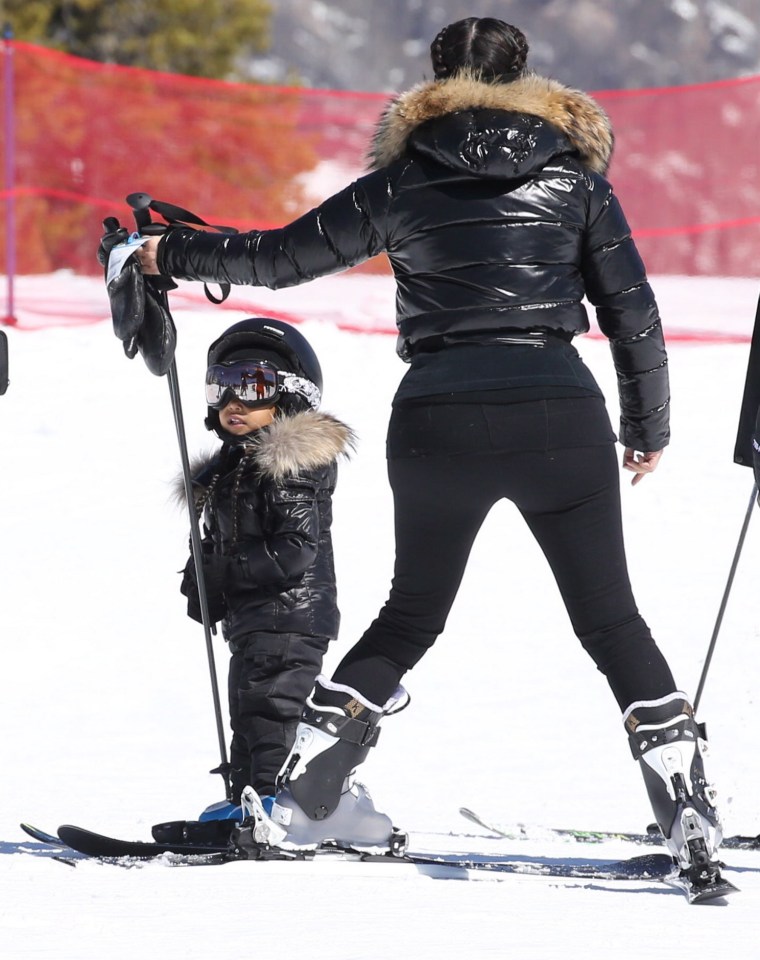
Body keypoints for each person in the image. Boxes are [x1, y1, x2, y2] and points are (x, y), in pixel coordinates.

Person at [134, 18, 729, 890]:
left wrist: (170, 250)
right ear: (530, 80)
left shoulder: (402, 180)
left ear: (435, 79)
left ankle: (294, 790)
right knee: (611, 622)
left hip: (437, 418)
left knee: (410, 616)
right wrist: (648, 428)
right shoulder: (577, 184)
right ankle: (683, 795)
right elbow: (633, 316)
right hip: (557, 415)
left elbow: (280, 258)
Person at [177, 317, 354, 821]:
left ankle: (279, 807)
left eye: (253, 387)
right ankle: (245, 801)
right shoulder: (233, 469)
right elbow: (223, 543)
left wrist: (227, 572)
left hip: (291, 618)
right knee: (247, 711)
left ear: (289, 397)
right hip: (256, 617)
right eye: (221, 387)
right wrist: (201, 578)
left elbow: (297, 547)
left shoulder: (290, 462)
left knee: (272, 712)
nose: (234, 403)